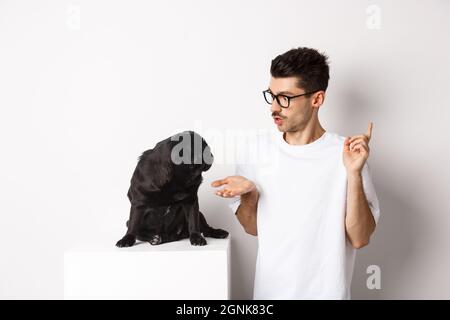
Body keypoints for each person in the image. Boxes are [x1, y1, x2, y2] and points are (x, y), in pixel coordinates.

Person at [211, 47, 380, 300]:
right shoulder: (257, 150)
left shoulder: (346, 154)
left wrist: (353, 174)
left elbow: (360, 238)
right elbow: (252, 229)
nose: (274, 108)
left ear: (317, 99)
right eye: (272, 96)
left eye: (286, 98)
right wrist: (250, 194)